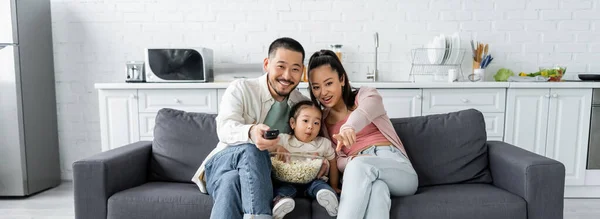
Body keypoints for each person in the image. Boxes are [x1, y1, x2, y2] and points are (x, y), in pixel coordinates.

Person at [191, 37, 309, 219]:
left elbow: (312, 141)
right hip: (224, 162)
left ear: (302, 71)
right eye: (281, 66)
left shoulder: (300, 104)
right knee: (253, 148)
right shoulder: (242, 88)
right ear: (267, 64)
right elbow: (224, 127)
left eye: (295, 69)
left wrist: (321, 160)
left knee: (231, 182)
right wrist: (251, 132)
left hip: (262, 177)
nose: (287, 75)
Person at [306, 49, 419, 219]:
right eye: (316, 87)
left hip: (397, 168)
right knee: (377, 189)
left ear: (342, 79)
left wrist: (348, 127)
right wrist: (351, 161)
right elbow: (337, 159)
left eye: (328, 83)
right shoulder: (321, 122)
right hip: (361, 172)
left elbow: (364, 112)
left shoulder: (366, 95)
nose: (323, 93)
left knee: (359, 166)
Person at [269, 100, 340, 219]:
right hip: (287, 181)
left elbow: (333, 162)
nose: (310, 126)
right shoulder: (284, 140)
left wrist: (333, 185)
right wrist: (277, 147)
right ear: (293, 123)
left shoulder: (323, 144)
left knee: (322, 188)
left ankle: (331, 201)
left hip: (313, 181)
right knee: (283, 190)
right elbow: (266, 147)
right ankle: (280, 204)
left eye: (316, 123)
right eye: (305, 121)